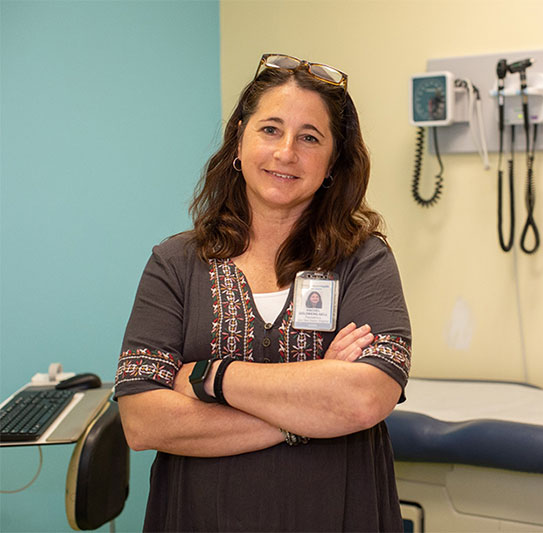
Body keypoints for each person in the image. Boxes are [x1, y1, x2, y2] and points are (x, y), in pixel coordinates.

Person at [115, 53, 411, 532]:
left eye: (309, 137)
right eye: (270, 129)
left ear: (333, 162)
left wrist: (212, 377)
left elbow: (363, 400)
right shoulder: (175, 264)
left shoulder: (363, 261)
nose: (286, 152)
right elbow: (143, 422)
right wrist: (313, 408)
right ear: (239, 140)